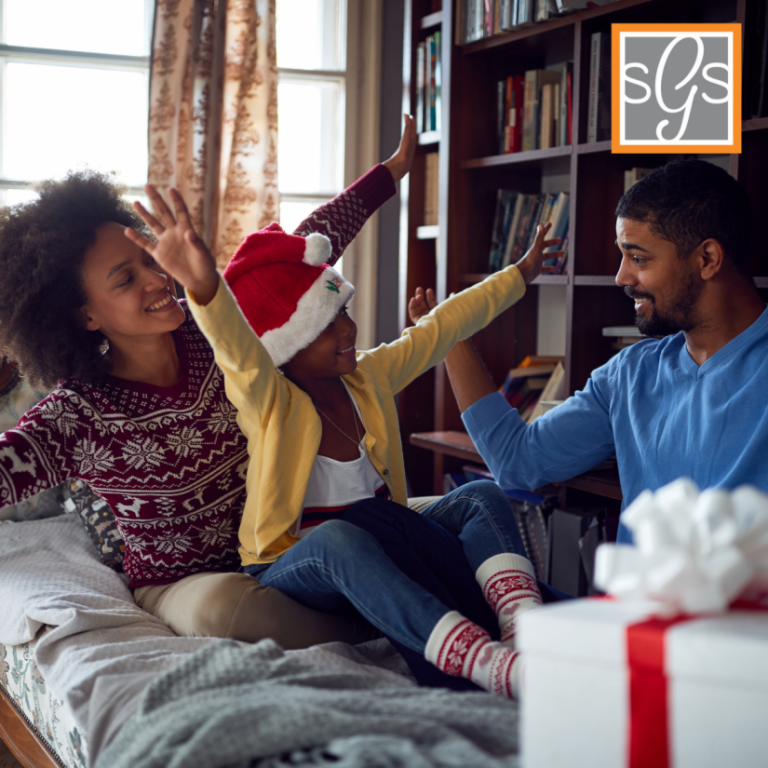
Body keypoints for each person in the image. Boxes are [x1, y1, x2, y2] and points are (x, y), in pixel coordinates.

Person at [126, 150, 562, 698]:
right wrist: (204, 287)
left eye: (345, 313)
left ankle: (522, 629)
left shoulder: (369, 378)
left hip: (384, 536)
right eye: (328, 324)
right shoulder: (270, 399)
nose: (350, 329)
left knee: (481, 495)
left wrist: (517, 276)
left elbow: (440, 328)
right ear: (286, 347)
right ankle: (482, 663)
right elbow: (236, 348)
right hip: (293, 563)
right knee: (340, 538)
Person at [0, 127, 415, 649]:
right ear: (84, 315)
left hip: (283, 545)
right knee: (223, 606)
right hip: (183, 585)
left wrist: (389, 174)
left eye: (152, 260)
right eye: (125, 280)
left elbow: (298, 253)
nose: (156, 280)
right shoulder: (76, 414)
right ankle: (379, 632)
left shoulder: (217, 329)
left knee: (445, 509)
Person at [416, 158, 768, 549]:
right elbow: (517, 462)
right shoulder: (630, 375)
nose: (622, 277)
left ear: (707, 259)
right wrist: (449, 333)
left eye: (638, 258)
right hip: (631, 605)